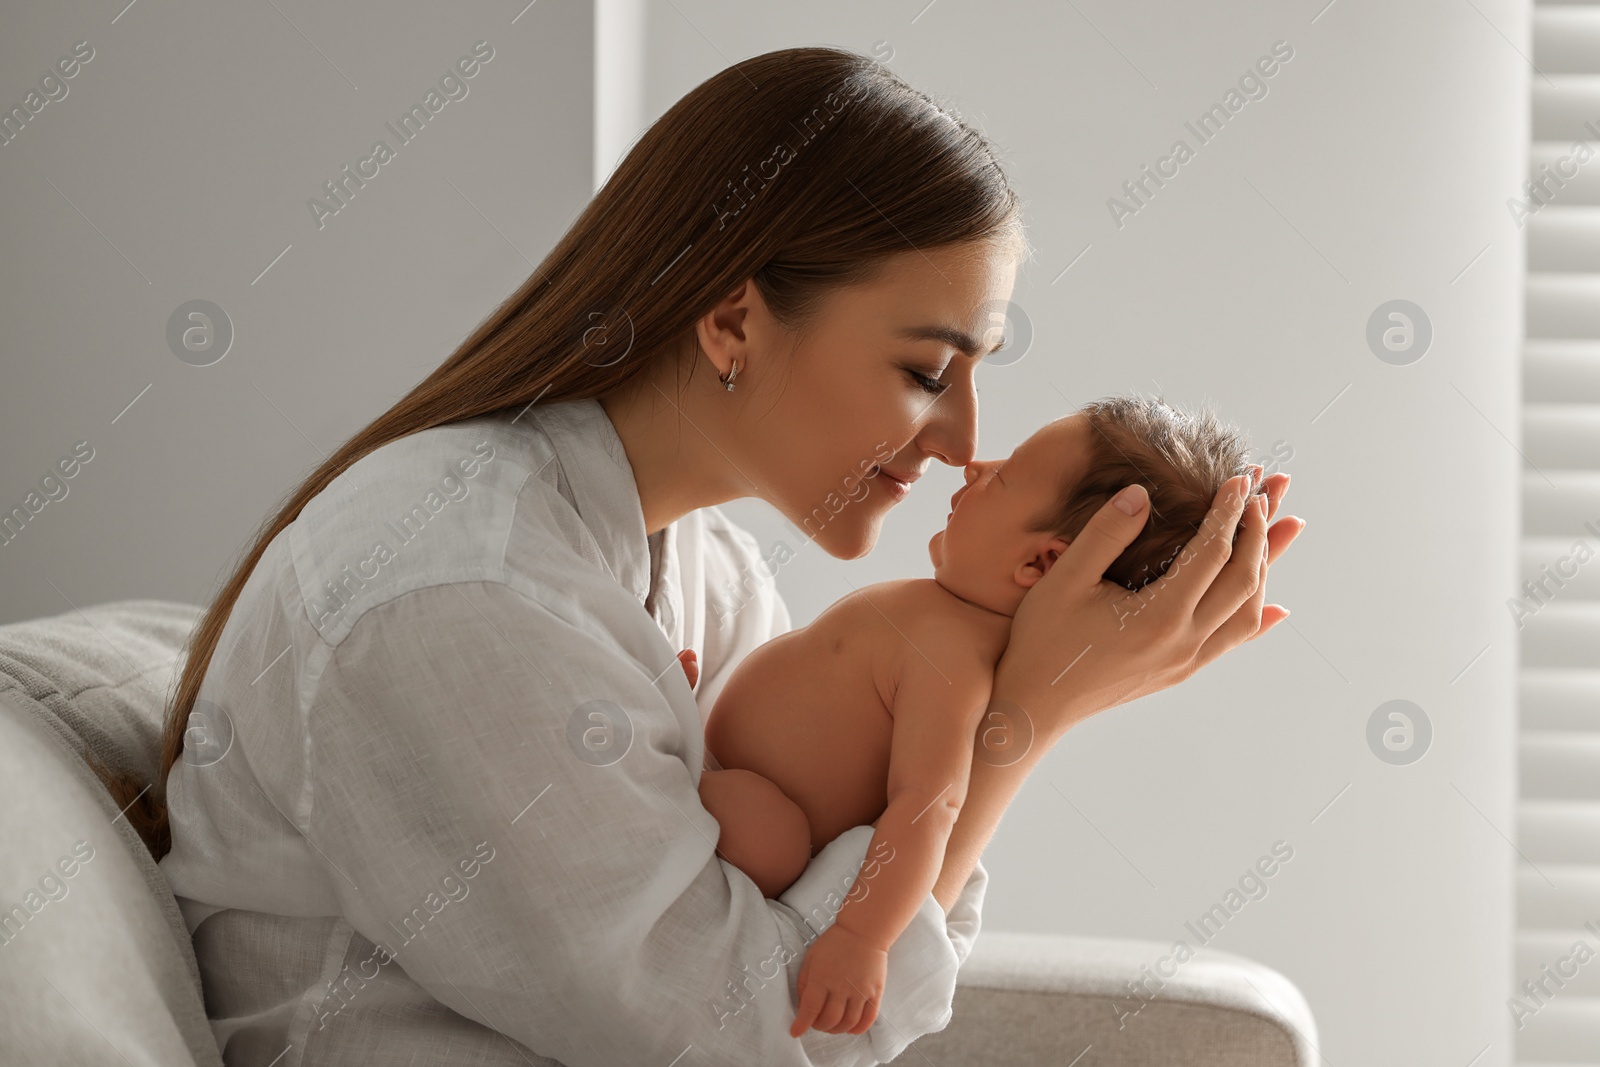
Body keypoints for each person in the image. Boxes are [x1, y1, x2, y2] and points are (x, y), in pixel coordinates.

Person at [95, 45, 1302, 1066]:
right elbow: (756, 1032)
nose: (962, 441)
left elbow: (819, 936)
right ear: (731, 321)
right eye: (928, 372)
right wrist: (1020, 721)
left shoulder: (699, 566)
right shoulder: (458, 592)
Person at [695, 395, 1274, 1039]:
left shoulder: (955, 658)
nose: (974, 467)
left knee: (764, 836)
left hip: (767, 840)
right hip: (725, 766)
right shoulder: (939, 620)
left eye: (1003, 476)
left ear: (1041, 563)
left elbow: (927, 806)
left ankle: (681, 765)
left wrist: (863, 937)